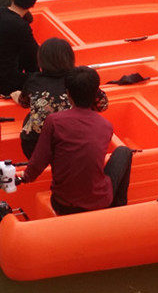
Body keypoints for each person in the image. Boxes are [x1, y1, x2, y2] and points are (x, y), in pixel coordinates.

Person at [18, 66, 133, 215]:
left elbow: (38, 161)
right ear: (95, 94)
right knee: (124, 152)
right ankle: (119, 211)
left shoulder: (54, 121)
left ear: (68, 94)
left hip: (62, 204)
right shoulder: (105, 126)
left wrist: (24, 178)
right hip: (99, 200)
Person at [11, 38, 107, 159]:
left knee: (31, 116)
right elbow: (102, 105)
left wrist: (17, 95)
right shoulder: (79, 79)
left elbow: (24, 103)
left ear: (41, 60)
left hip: (34, 149)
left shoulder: (33, 80)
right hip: (73, 148)